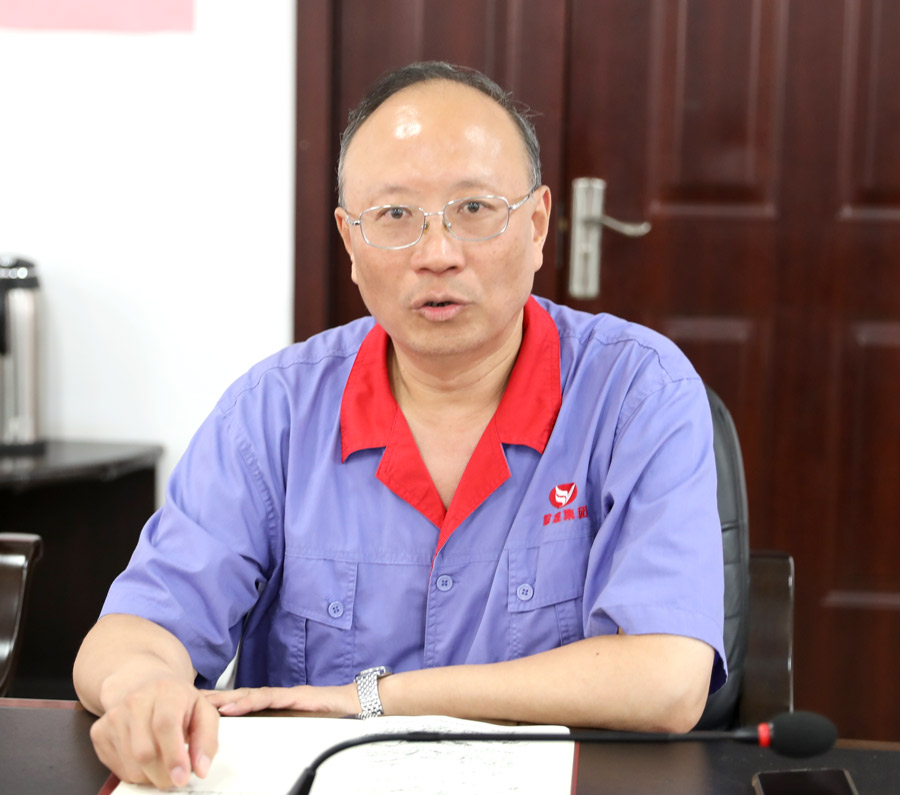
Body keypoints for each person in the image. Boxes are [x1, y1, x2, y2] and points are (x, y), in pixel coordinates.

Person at [73, 61, 726, 789]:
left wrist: (371, 699)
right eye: (394, 216)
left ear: (538, 225)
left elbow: (668, 680)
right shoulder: (275, 411)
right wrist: (144, 693)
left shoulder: (637, 390)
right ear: (350, 243)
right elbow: (132, 632)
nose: (437, 254)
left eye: (474, 208)